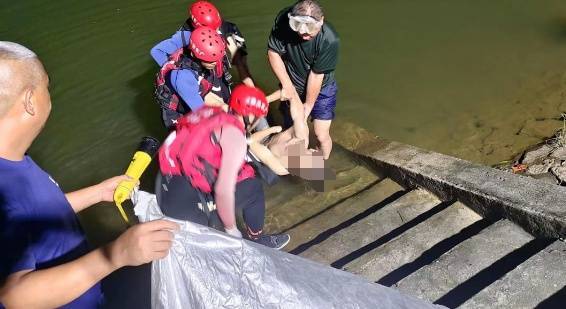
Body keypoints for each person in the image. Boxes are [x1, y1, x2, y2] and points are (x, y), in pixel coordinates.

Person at [0, 41, 178, 308]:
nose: (49, 96)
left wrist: (97, 193)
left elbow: (32, 216)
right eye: (46, 88)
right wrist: (114, 255)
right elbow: (14, 297)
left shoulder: (14, 160)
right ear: (29, 101)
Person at [156, 85, 290, 250]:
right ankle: (257, 241)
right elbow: (222, 190)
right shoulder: (235, 137)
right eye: (258, 117)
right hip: (185, 208)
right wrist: (231, 229)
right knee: (253, 188)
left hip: (165, 186)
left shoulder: (211, 112)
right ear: (250, 115)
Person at [268, 0, 340, 160]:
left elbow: (316, 75)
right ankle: (295, 164)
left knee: (321, 134)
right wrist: (286, 85)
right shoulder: (283, 21)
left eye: (310, 27)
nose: (303, 32)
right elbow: (273, 52)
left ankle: (321, 163)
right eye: (297, 25)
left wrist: (307, 106)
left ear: (321, 20)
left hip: (321, 88)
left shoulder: (329, 40)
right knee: (291, 129)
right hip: (293, 84)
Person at [150, 0, 255, 87]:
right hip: (200, 72)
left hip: (217, 66)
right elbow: (156, 51)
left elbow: (240, 62)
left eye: (217, 28)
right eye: (213, 29)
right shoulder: (186, 35)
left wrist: (252, 88)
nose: (216, 31)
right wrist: (177, 72)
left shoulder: (224, 26)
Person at [154, 26, 231, 129]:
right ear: (194, 55)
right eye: (211, 61)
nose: (216, 63)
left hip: (193, 90)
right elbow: (204, 114)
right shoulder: (183, 78)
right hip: (178, 114)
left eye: (217, 59)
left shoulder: (198, 59)